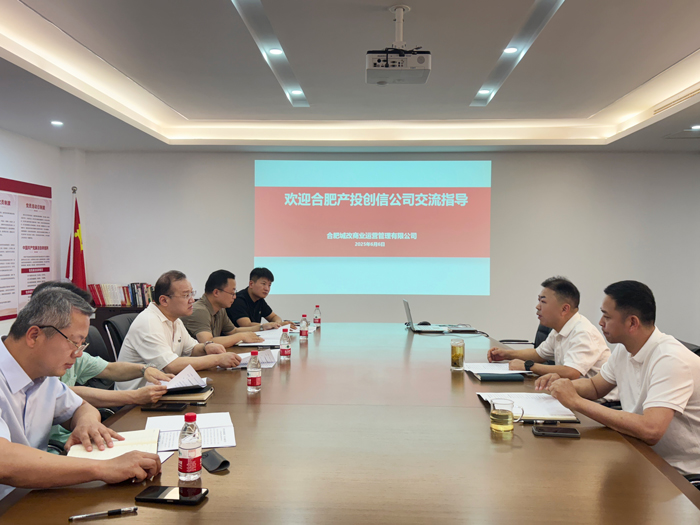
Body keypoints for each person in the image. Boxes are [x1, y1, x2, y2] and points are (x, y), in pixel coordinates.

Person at [0, 287, 161, 500]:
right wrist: (103, 468)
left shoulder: (44, 376)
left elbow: (81, 407)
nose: (78, 354)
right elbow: (5, 461)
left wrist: (87, 423)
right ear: (34, 335)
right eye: (73, 343)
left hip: (32, 494)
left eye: (81, 344)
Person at [536, 281, 700, 476]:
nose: (600, 322)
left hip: (678, 474)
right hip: (640, 453)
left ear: (632, 323)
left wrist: (576, 401)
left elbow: (651, 430)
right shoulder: (624, 349)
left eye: (606, 316)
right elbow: (595, 386)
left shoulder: (671, 360)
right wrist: (563, 385)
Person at [30, 281, 175, 451]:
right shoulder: (32, 368)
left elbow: (108, 370)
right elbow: (68, 392)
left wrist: (144, 370)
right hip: (54, 450)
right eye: (74, 341)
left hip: (77, 442)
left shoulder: (69, 354)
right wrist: (134, 396)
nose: (78, 352)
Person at [116, 271, 241, 391]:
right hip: (135, 398)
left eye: (192, 293)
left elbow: (191, 349)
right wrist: (217, 359)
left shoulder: (175, 320)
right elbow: (171, 365)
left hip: (162, 388)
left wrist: (206, 347)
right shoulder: (148, 323)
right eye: (186, 295)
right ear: (164, 300)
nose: (192, 300)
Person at [487, 277, 610, 380]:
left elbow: (571, 372)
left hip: (598, 400)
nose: (537, 306)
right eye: (539, 301)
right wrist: (506, 354)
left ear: (564, 309)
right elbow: (538, 354)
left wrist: (527, 366)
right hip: (572, 392)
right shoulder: (558, 329)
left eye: (543, 302)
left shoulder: (583, 333)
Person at [183, 270, 275, 347]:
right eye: (232, 293)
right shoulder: (200, 311)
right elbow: (208, 342)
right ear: (216, 292)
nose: (234, 297)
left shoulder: (220, 309)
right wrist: (241, 337)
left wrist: (262, 327)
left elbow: (233, 331)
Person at [227, 267, 296, 329]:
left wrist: (278, 324)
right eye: (263, 284)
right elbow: (246, 325)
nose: (267, 289)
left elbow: (273, 317)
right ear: (251, 284)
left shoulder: (259, 299)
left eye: (269, 285)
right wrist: (271, 325)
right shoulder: (238, 300)